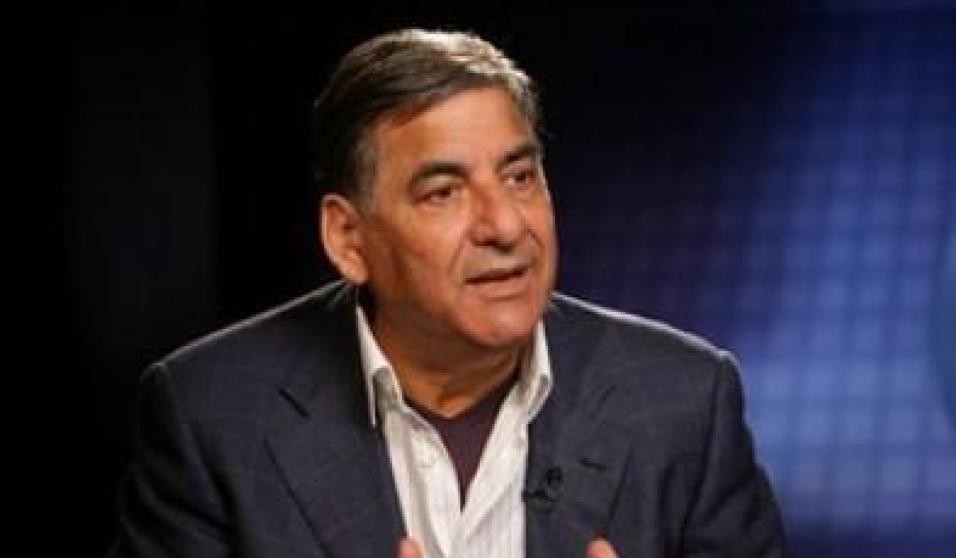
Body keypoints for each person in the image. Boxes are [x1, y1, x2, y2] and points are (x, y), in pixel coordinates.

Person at [108, 28, 785, 558]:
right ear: (348, 238)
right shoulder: (213, 416)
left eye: (520, 177)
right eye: (443, 192)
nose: (505, 226)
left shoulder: (685, 400)